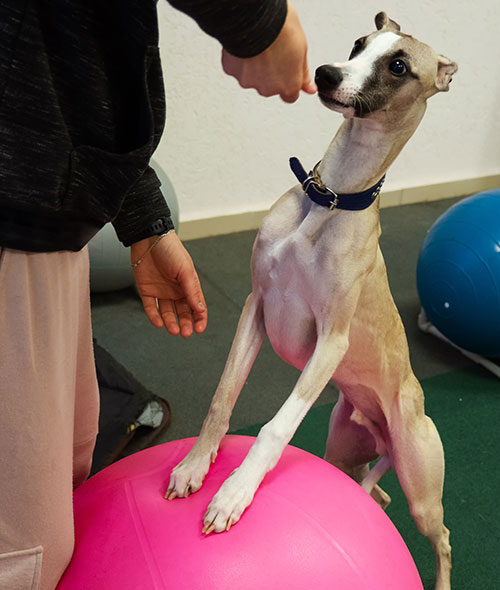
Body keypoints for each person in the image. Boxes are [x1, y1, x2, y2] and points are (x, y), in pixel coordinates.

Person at [0, 1, 316, 588]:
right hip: (15, 215)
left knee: (70, 461)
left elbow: (55, 50)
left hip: (46, 216)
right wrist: (260, 23)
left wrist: (140, 215)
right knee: (23, 544)